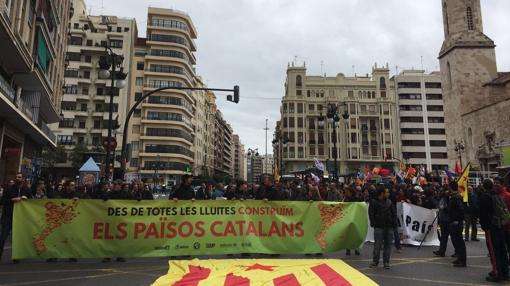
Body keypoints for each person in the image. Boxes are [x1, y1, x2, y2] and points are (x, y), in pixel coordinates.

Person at [480, 179, 509, 282]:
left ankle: (497, 274)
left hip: (492, 227)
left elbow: (483, 214)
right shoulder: (497, 195)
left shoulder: (485, 197)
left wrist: (485, 227)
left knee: (494, 251)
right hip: (500, 225)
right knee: (502, 250)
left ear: (483, 186)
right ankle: (505, 272)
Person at [0, 173, 31, 262]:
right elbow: (2, 201)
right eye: (16, 177)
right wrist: (12, 200)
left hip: (20, 218)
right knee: (3, 237)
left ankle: (17, 256)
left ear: (23, 179)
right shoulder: (9, 189)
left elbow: (32, 202)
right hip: (8, 216)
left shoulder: (27, 190)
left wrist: (26, 199)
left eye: (19, 177)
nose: (18, 179)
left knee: (18, 238)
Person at [369, 187, 396, 269]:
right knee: (377, 245)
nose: (388, 194)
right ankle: (375, 261)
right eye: (386, 192)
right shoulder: (374, 202)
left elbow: (393, 213)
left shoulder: (389, 202)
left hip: (389, 226)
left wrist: (393, 223)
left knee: (388, 245)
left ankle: (386, 262)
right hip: (379, 226)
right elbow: (371, 213)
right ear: (382, 193)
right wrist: (374, 223)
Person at [448, 182, 467, 267]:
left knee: (459, 241)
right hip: (453, 221)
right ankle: (459, 258)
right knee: (456, 241)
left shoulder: (456, 197)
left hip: (456, 222)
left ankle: (462, 260)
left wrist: (457, 220)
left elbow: (460, 209)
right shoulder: (453, 196)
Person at [433, 187, 450, 257]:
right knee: (443, 236)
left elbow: (445, 208)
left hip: (447, 220)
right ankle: (441, 251)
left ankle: (458, 252)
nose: (439, 192)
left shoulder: (447, 199)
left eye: (441, 191)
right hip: (443, 219)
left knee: (454, 238)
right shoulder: (440, 198)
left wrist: (444, 207)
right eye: (439, 191)